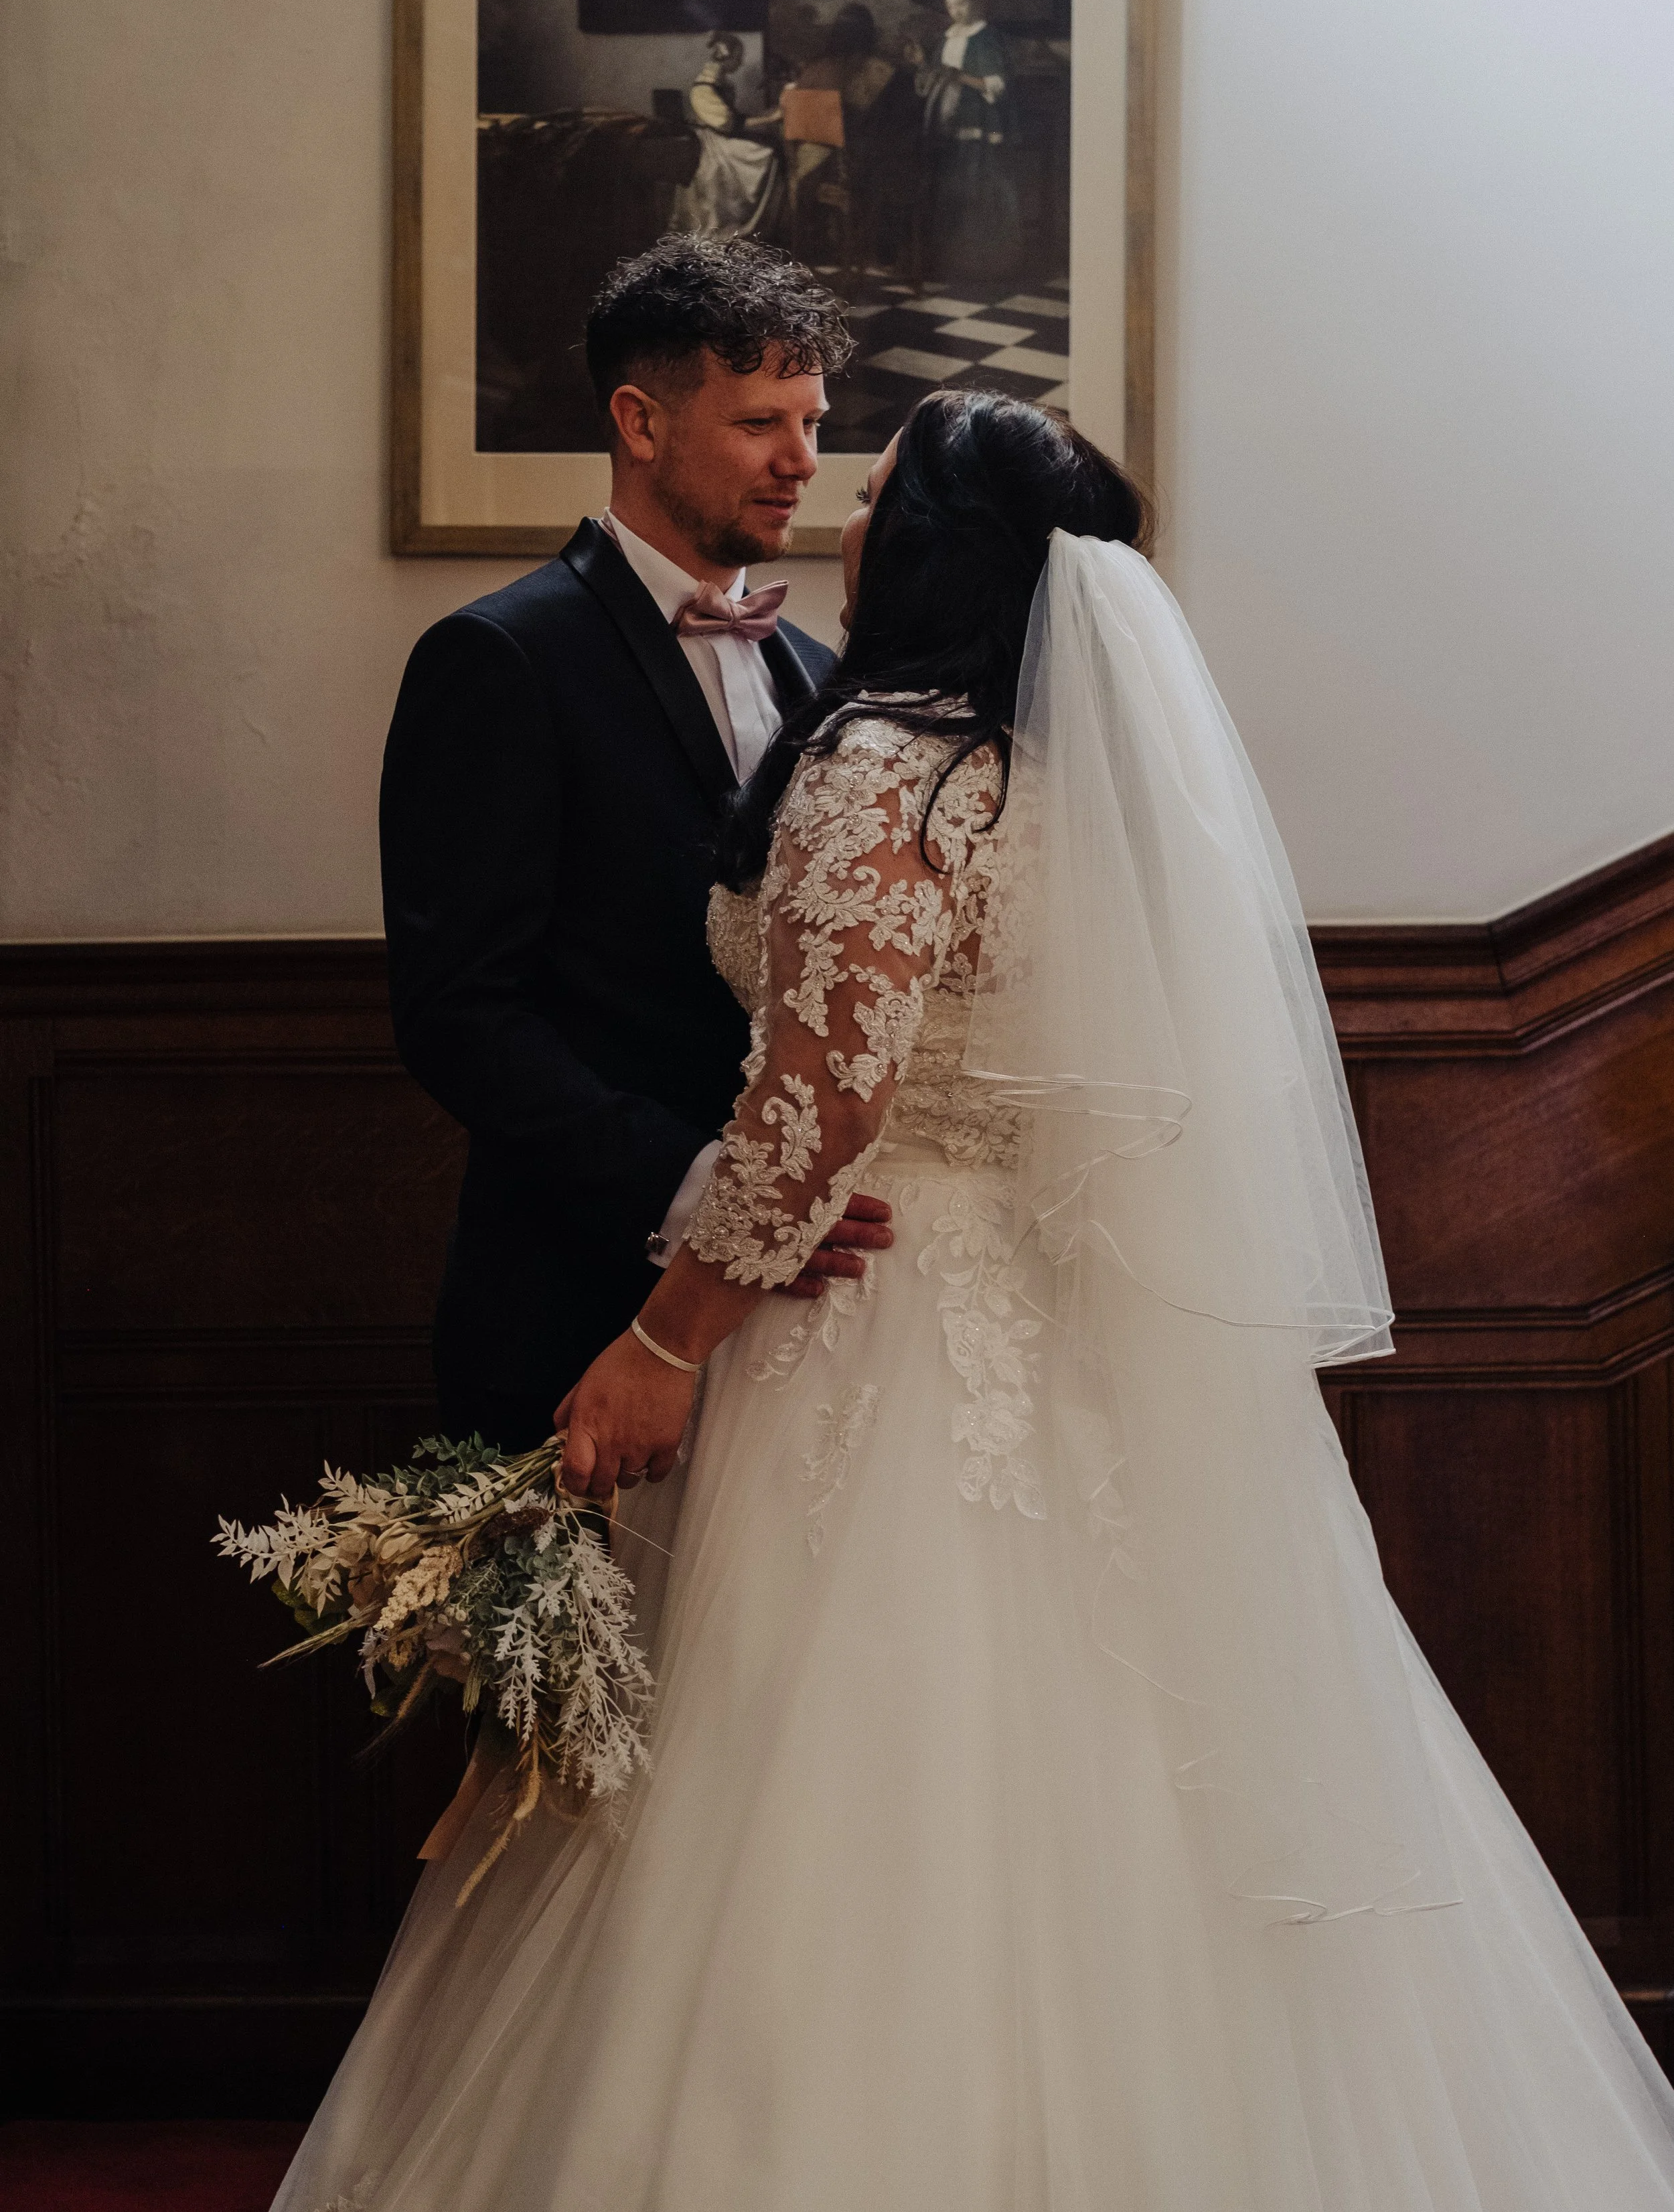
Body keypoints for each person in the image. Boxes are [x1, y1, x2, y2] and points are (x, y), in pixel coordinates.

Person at [284, 392, 1674, 2211]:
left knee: (833, 1769)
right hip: (1049, 1303)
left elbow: (819, 1106)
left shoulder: (888, 758)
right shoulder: (1061, 774)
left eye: (872, 489)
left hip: (878, 1307)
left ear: (932, 543)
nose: (841, 513)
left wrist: (659, 1342)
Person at [378, 234, 887, 1457]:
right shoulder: (500, 659)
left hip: (803, 1333)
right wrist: (709, 1196)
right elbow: (459, 1015)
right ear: (640, 422)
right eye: (761, 423)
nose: (801, 463)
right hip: (573, 1298)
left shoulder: (818, 669)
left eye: (813, 425)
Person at [903, 0, 1021, 283]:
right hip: (946, 122)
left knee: (975, 187)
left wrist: (961, 77)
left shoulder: (987, 38)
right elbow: (936, 78)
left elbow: (997, 83)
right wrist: (922, 64)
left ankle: (979, 263)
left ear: (977, 3)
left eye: (961, 4)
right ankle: (948, 258)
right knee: (949, 189)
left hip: (977, 122)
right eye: (951, 6)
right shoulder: (948, 37)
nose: (956, 11)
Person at [664, 32, 780, 241]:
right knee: (767, 153)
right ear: (726, 57)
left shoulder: (720, 83)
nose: (741, 62)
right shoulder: (703, 89)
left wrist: (766, 116)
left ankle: (761, 220)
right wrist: (770, 118)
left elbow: (733, 118)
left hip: (720, 138)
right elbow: (728, 124)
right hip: (709, 146)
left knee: (767, 147)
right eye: (738, 57)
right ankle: (739, 222)